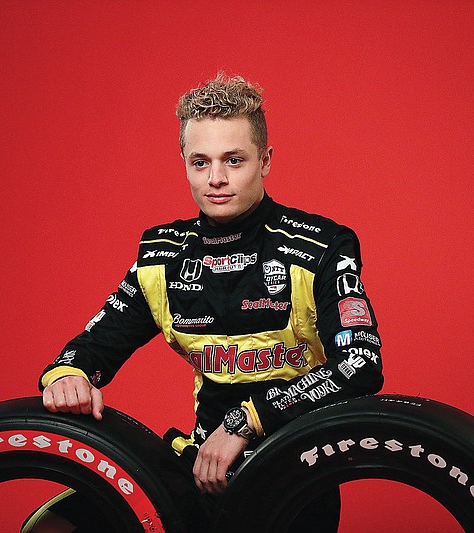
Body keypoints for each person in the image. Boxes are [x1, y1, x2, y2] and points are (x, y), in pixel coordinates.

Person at [24, 73, 384, 533]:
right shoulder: (163, 255)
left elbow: (361, 363)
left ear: (265, 160)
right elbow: (94, 346)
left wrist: (244, 421)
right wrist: (67, 374)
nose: (216, 179)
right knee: (51, 528)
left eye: (234, 160)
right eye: (200, 162)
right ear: (184, 164)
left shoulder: (322, 247)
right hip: (199, 470)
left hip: (292, 475)